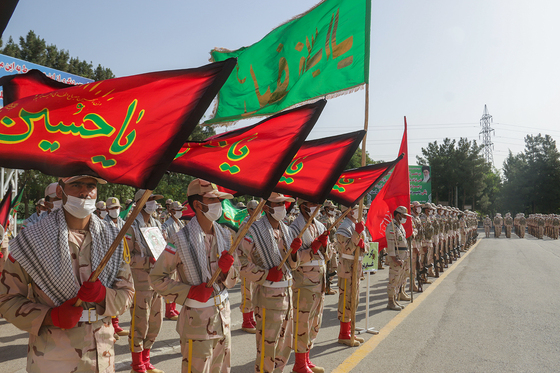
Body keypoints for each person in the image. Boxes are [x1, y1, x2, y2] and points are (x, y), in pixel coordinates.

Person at [0, 175, 134, 372]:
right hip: (53, 359)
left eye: (91, 186)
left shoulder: (112, 237)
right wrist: (50, 316)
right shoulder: (32, 239)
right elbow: (7, 299)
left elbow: (127, 293)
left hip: (102, 357)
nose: (84, 192)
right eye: (76, 184)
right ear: (59, 191)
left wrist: (104, 295)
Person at [149, 179, 238, 373]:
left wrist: (227, 272)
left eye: (218, 200)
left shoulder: (224, 234)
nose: (218, 205)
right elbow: (156, 278)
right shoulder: (180, 240)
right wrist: (189, 292)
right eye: (213, 200)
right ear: (198, 204)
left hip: (222, 319)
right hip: (197, 323)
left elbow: (234, 277)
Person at [238, 192, 297, 373]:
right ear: (266, 207)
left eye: (284, 204)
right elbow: (240, 261)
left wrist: (294, 253)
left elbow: (292, 266)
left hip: (287, 294)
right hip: (267, 296)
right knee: (267, 346)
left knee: (285, 344)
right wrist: (265, 274)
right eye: (278, 204)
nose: (282, 208)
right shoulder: (252, 230)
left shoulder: (286, 229)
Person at [289, 199, 333, 373]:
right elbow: (291, 260)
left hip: (319, 281)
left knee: (315, 321)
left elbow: (328, 255)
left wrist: (324, 246)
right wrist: (311, 250)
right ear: (304, 206)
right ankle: (299, 364)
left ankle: (306, 358)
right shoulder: (294, 228)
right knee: (302, 322)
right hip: (303, 282)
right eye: (313, 203)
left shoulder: (320, 226)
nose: (317, 207)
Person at [126, 189, 165, 373]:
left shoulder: (156, 223)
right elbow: (125, 257)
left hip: (157, 280)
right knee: (140, 323)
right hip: (140, 282)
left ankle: (146, 359)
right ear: (140, 202)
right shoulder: (130, 226)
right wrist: (147, 260)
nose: (153, 203)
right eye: (149, 200)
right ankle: (137, 364)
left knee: (156, 322)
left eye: (154, 200)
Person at [334, 205, 368, 348]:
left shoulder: (355, 225)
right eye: (356, 208)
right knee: (346, 300)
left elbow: (364, 247)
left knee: (354, 300)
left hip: (356, 267)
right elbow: (346, 248)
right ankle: (343, 334)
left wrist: (362, 243)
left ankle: (350, 331)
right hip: (347, 268)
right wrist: (356, 234)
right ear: (348, 211)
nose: (360, 212)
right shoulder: (344, 226)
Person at [103, 197, 130, 340]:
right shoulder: (102, 224)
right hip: (109, 264)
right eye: (112, 208)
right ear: (107, 210)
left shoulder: (123, 223)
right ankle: (109, 327)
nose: (115, 210)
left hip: (122, 263)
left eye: (117, 208)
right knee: (109, 295)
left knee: (119, 294)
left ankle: (116, 324)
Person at [161, 201, 188, 321]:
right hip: (171, 256)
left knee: (177, 283)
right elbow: (164, 241)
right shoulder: (166, 225)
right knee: (170, 283)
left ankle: (173, 307)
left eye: (181, 210)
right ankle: (169, 310)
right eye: (177, 210)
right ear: (171, 212)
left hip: (180, 257)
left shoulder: (180, 223)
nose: (180, 212)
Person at [239, 199, 261, 333]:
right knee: (247, 292)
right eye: (254, 209)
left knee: (254, 292)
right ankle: (246, 321)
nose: (258, 212)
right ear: (249, 210)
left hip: (256, 263)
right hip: (247, 263)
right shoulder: (246, 225)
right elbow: (242, 245)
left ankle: (251, 318)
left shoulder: (256, 224)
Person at [386, 206, 411, 311]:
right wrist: (394, 258)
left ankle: (395, 299)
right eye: (403, 216)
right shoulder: (392, 226)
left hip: (403, 256)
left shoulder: (399, 226)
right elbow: (391, 244)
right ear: (398, 215)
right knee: (393, 279)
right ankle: (390, 301)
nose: (405, 217)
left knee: (399, 279)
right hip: (396, 257)